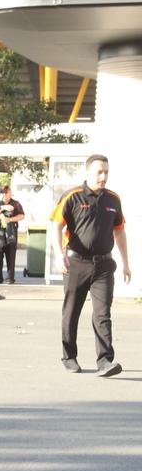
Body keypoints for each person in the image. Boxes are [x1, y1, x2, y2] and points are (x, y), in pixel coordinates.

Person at [51, 154, 131, 376]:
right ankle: (69, 357)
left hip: (104, 265)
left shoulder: (113, 199)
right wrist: (59, 254)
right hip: (76, 262)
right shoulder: (73, 197)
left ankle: (105, 361)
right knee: (71, 311)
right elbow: (55, 226)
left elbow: (120, 231)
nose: (103, 176)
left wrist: (125, 263)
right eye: (99, 172)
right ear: (88, 173)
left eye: (106, 172)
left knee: (103, 313)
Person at [0, 185, 24, 284]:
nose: (5, 195)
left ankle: (10, 278)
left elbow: (22, 216)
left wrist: (10, 219)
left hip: (11, 233)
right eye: (3, 193)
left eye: (7, 193)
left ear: (10, 193)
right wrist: (2, 208)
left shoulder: (16, 204)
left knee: (11, 256)